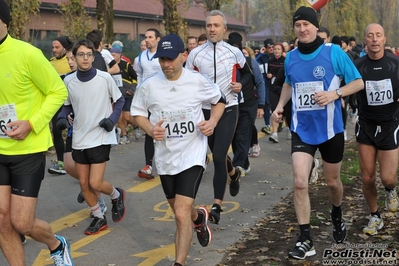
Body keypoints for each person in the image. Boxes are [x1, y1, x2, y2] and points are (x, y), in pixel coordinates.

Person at [272, 6, 364, 259]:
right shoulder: (290, 57)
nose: (302, 29)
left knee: (333, 182)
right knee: (300, 182)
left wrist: (335, 94)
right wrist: (279, 107)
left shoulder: (333, 52)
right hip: (302, 128)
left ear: (315, 26)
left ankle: (337, 213)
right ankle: (305, 238)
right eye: (298, 25)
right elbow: (289, 84)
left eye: (306, 24)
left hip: (330, 129)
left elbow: (358, 82)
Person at [131, 33, 226, 266]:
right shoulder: (149, 86)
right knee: (181, 211)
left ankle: (179, 263)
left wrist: (212, 122)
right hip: (165, 157)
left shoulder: (197, 81)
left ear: (184, 56)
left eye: (171, 59)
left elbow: (220, 99)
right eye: (162, 59)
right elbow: (137, 113)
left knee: (181, 213)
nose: (166, 64)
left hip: (192, 154)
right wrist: (151, 130)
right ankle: (199, 217)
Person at [0, 1, 74, 264]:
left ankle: (56, 244)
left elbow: (58, 91)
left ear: (4, 21)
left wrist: (31, 123)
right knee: (1, 219)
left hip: (27, 150)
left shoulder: (27, 53)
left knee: (21, 222)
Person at [57, 39, 126, 235]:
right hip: (80, 136)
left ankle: (116, 194)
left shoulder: (104, 78)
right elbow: (67, 105)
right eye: (81, 55)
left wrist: (112, 120)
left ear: (93, 57)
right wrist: (62, 118)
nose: (85, 58)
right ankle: (98, 216)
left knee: (95, 183)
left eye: (89, 54)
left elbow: (119, 100)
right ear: (75, 57)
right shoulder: (69, 80)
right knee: (84, 184)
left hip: (100, 135)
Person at [185, 10, 246, 223]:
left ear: (224, 29)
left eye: (216, 25)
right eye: (209, 25)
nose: (212, 29)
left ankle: (217, 205)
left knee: (219, 156)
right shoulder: (195, 54)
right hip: (204, 110)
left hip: (228, 106)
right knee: (216, 153)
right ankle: (233, 174)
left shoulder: (234, 52)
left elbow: (248, 76)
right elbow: (187, 80)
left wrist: (240, 85)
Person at [354, 23, 399, 235]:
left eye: (378, 35)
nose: (374, 39)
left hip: (390, 124)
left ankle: (391, 190)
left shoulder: (395, 63)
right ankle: (375, 216)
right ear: (365, 40)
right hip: (366, 126)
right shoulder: (358, 65)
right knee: (367, 177)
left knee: (388, 177)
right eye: (370, 35)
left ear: (384, 39)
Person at [227, 33, 265, 176]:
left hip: (249, 104)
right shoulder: (224, 63)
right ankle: (244, 163)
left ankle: (237, 167)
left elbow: (260, 83)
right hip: (231, 105)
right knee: (234, 137)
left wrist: (261, 105)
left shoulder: (249, 62)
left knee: (242, 135)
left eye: (236, 47)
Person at [136, 28, 162, 179]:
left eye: (150, 37)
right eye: (145, 37)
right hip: (147, 99)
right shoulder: (141, 57)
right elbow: (139, 74)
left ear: (158, 39)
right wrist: (139, 92)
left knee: (167, 130)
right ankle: (148, 165)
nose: (147, 40)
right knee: (149, 131)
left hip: (162, 98)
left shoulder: (163, 56)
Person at [48, 35, 73, 175]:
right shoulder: (49, 62)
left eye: (57, 47)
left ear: (64, 48)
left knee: (73, 132)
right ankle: (61, 163)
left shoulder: (71, 60)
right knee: (57, 131)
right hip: (57, 102)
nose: (54, 50)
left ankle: (77, 162)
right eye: (53, 47)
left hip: (72, 102)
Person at [110, 46, 138, 144]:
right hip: (116, 96)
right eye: (110, 55)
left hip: (127, 95)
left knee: (127, 116)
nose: (111, 57)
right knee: (119, 117)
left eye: (113, 55)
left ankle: (137, 126)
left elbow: (135, 78)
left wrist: (131, 89)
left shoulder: (126, 65)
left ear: (120, 55)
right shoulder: (109, 67)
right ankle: (124, 135)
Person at [267, 43, 285, 143]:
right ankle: (274, 133)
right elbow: (267, 72)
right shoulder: (270, 60)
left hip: (284, 88)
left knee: (285, 110)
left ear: (282, 51)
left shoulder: (285, 60)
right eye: (275, 49)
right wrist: (269, 75)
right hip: (273, 87)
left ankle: (288, 129)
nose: (276, 51)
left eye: (278, 49)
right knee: (274, 109)